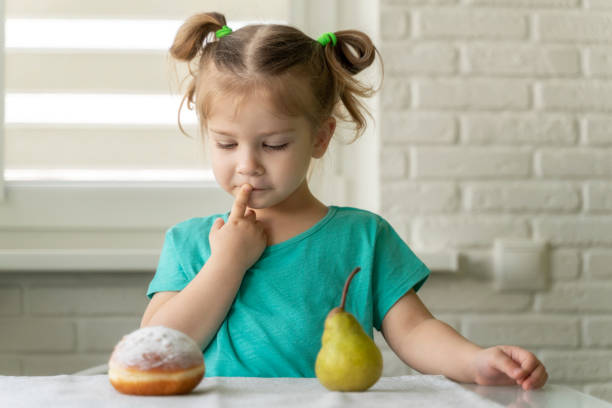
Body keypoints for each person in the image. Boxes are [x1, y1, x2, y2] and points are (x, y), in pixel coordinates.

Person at [140, 11, 548, 390]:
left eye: (275, 144)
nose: (248, 165)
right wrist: (226, 262)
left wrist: (475, 361)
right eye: (226, 143)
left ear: (320, 138)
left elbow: (415, 331)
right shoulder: (190, 242)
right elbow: (153, 352)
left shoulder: (363, 236)